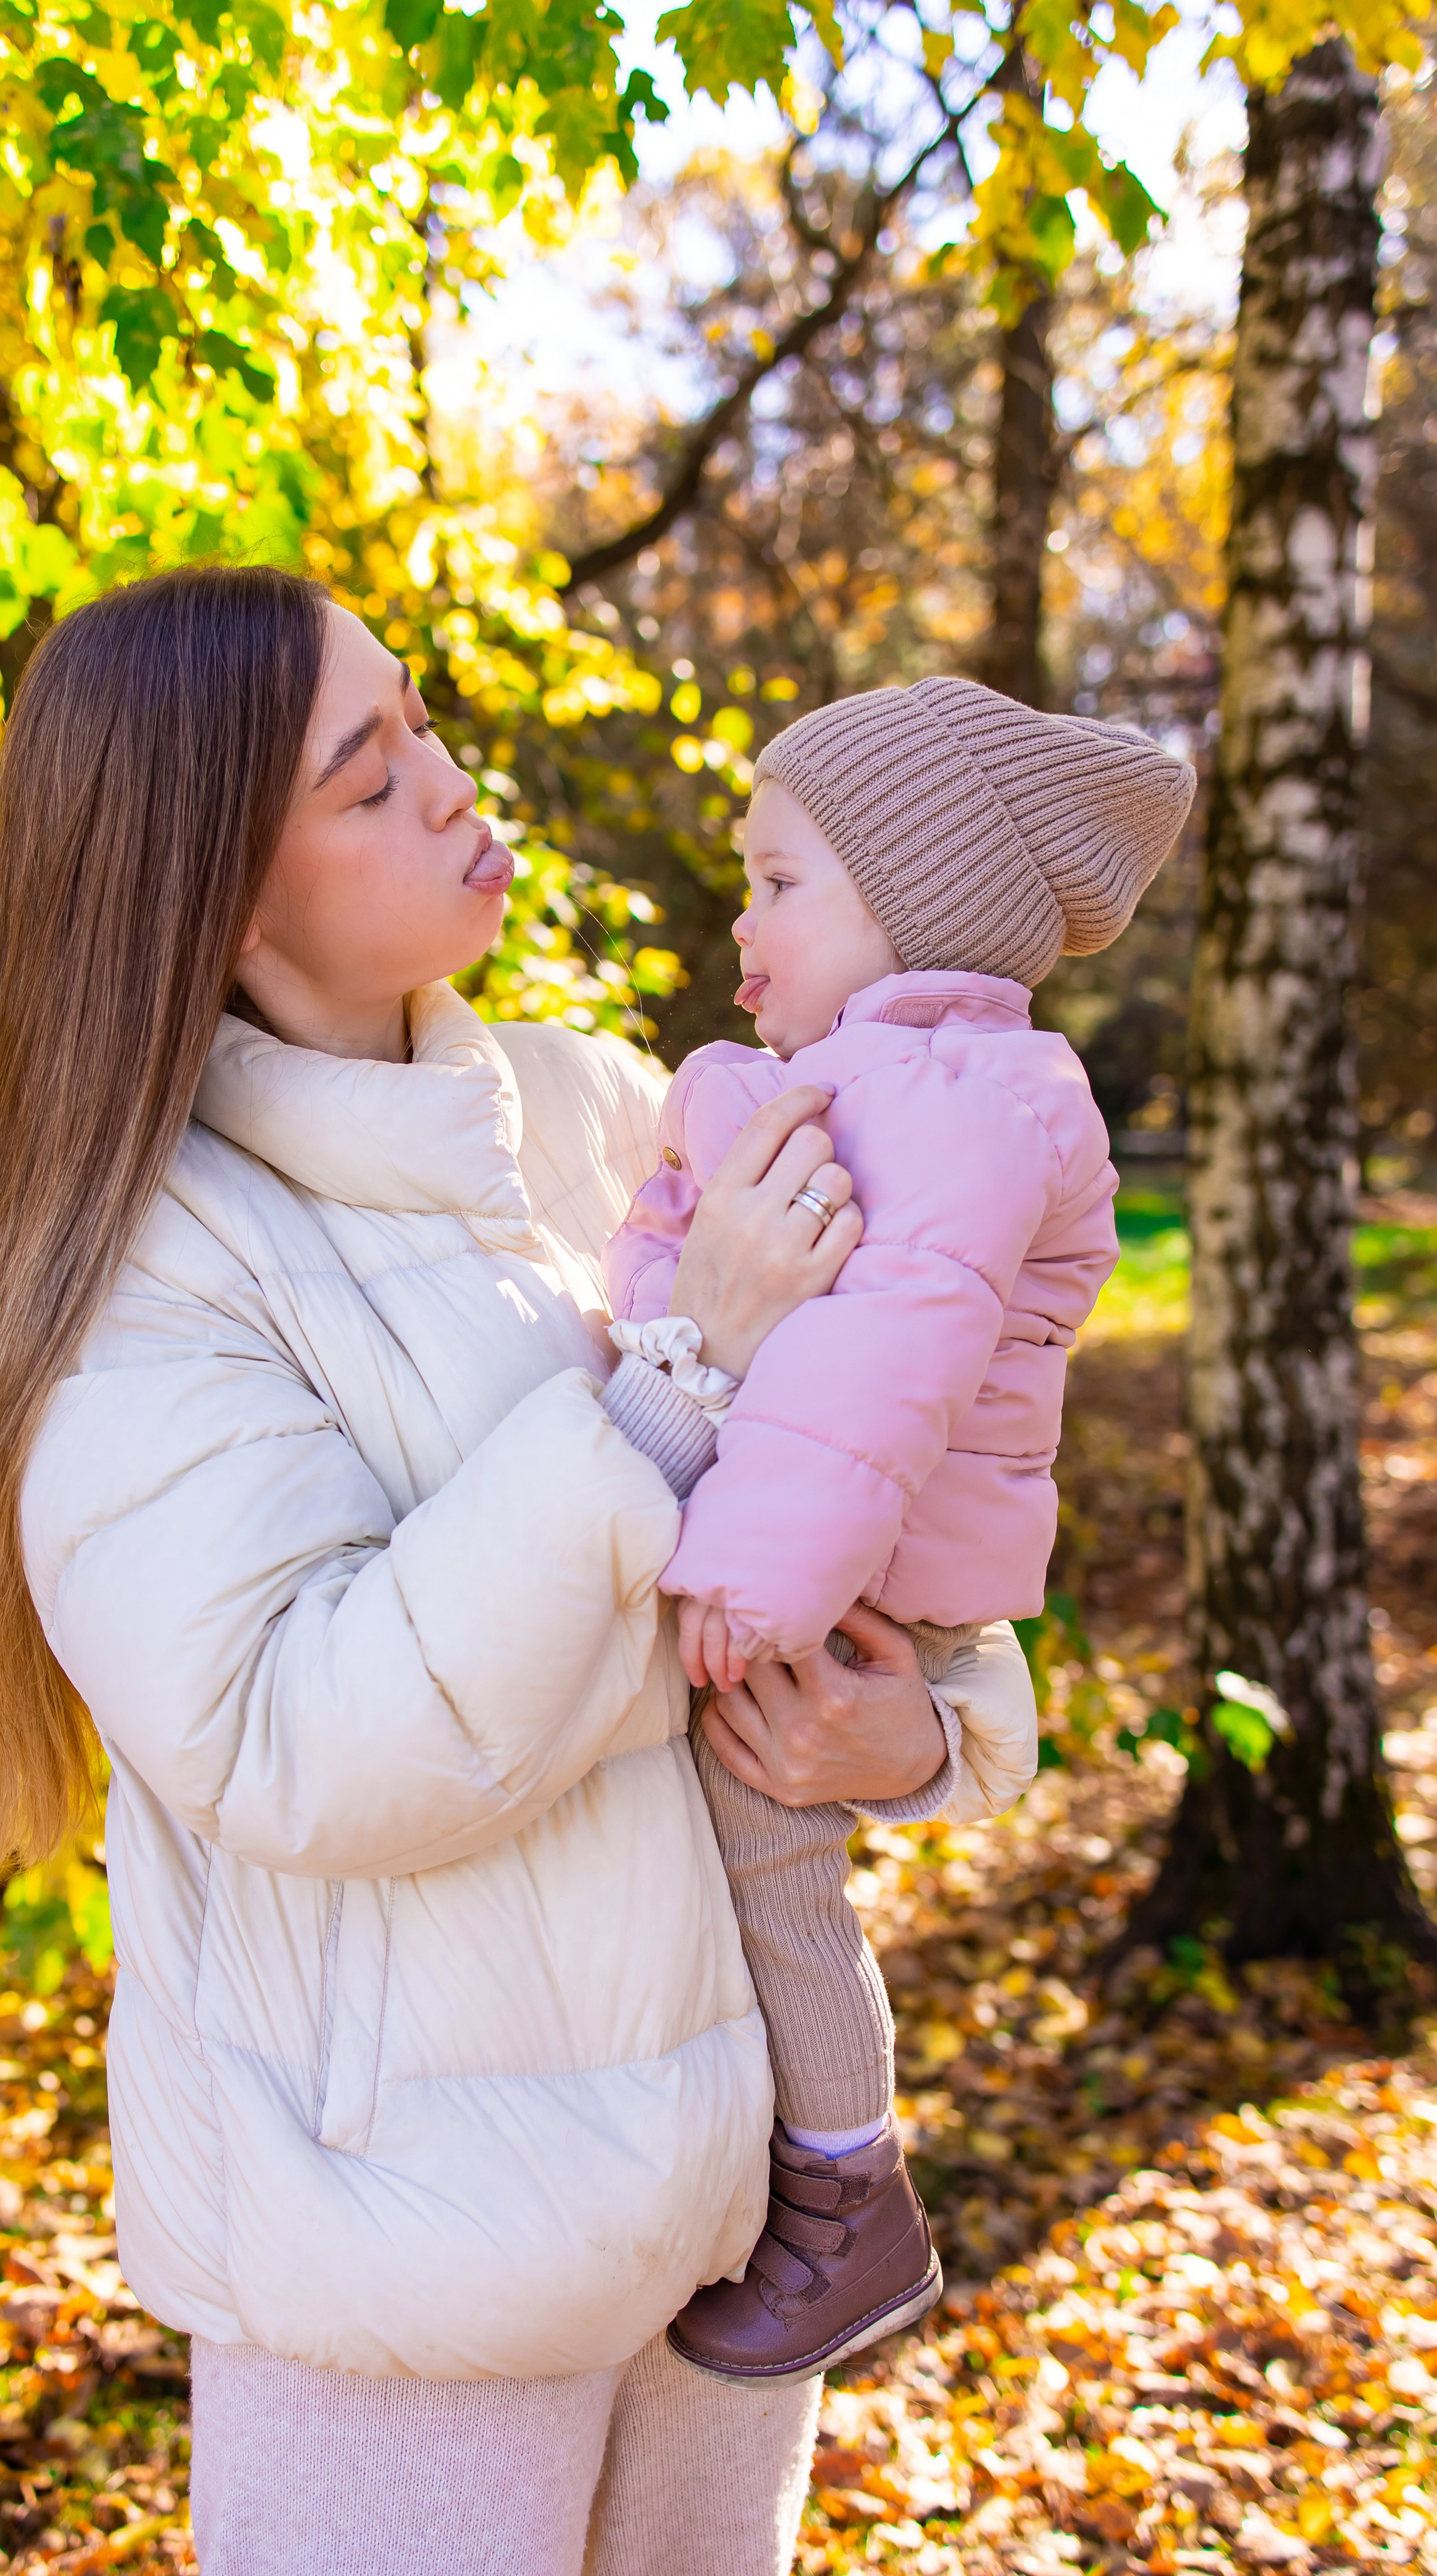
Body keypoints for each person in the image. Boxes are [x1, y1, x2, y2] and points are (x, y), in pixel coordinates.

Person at [0, 566, 1040, 2576]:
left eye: (423, 719)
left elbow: (924, 1440)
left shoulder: (611, 1112)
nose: (454, 782)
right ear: (217, 900)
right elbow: (303, 1738)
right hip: (409, 2268)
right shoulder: (146, 1276)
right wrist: (674, 1377)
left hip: (729, 2218)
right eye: (373, 773)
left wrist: (928, 1733)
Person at [606, 677, 1195, 2387]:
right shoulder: (843, 1082)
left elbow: (887, 1357)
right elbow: (662, 1273)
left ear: (915, 905)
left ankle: (847, 2194)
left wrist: (751, 1574)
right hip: (809, 1555)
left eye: (779, 881)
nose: (740, 916)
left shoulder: (968, 1099)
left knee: (770, 1860)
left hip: (851, 1589)